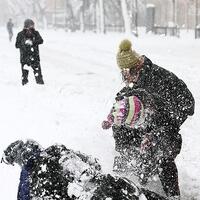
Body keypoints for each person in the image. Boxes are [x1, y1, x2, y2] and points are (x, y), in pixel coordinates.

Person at [102, 39, 195, 200]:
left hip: (172, 116)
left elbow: (184, 107)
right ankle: (134, 179)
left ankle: (173, 196)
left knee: (162, 151)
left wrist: (155, 134)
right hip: (150, 117)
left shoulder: (157, 81)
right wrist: (114, 117)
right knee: (129, 139)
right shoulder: (138, 80)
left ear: (134, 69)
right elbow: (123, 101)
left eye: (125, 73)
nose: (125, 78)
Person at [1, 139, 168, 200]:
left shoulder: (34, 181)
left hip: (90, 193)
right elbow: (92, 163)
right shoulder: (56, 149)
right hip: (106, 184)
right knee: (134, 191)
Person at [15, 19, 44, 85]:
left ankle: (41, 88)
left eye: (32, 25)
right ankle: (25, 89)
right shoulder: (20, 34)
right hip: (24, 58)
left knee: (38, 76)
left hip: (35, 57)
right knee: (24, 77)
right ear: (26, 25)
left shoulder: (36, 33)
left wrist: (32, 42)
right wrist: (24, 43)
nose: (32, 27)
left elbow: (41, 41)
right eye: (30, 25)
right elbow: (17, 45)